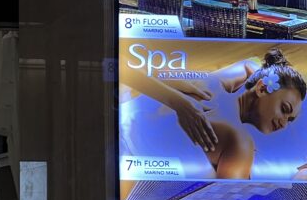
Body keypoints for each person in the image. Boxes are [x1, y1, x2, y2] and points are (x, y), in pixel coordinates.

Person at [120, 48, 307, 179]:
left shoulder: (212, 83)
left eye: (290, 120)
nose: (284, 123)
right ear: (262, 88)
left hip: (120, 122)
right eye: (285, 110)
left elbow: (248, 64)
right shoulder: (240, 143)